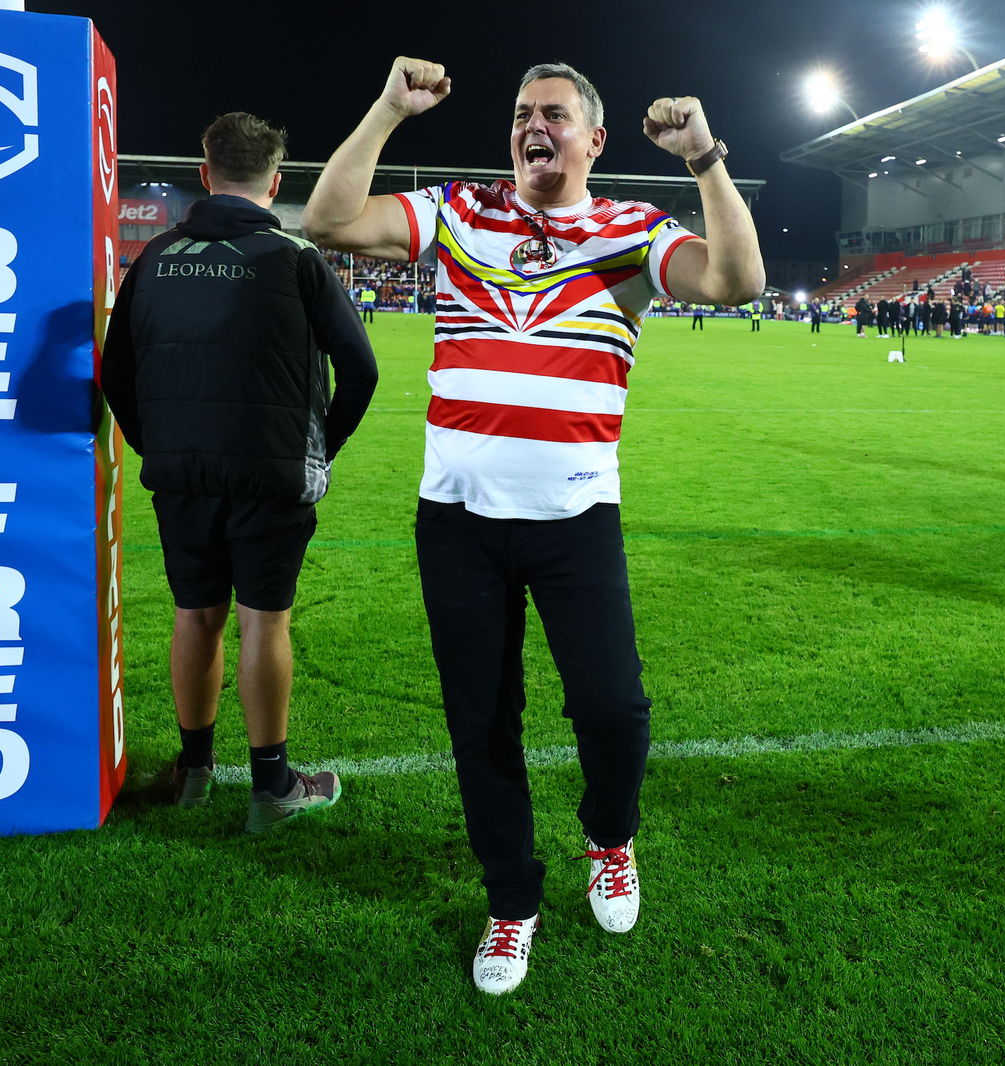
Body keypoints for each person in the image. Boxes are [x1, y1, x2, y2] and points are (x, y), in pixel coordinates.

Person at [303, 57, 763, 995]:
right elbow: (327, 221)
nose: (531, 125)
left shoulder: (632, 231)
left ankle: (610, 837)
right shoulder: (460, 212)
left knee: (614, 711)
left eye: (553, 113)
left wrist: (704, 158)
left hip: (575, 519)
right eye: (521, 113)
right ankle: (511, 900)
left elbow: (737, 280)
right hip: (458, 523)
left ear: (594, 139)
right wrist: (388, 110)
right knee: (482, 721)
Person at [100, 112, 378, 832]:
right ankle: (271, 786)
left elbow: (115, 372)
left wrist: (157, 444)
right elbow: (361, 368)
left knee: (195, 615)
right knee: (264, 619)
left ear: (205, 174)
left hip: (182, 473)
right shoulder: (295, 257)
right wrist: (321, 446)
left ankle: (193, 772)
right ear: (276, 182)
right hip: (271, 474)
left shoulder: (156, 256)